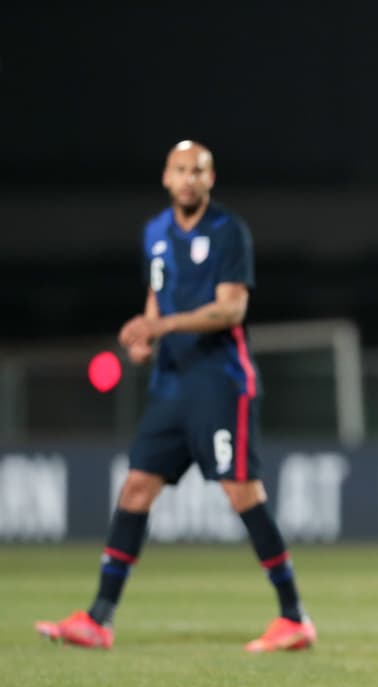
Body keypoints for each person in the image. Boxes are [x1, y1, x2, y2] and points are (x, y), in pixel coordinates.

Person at [35, 140, 315, 653]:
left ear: (211, 180)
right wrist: (146, 340)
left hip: (220, 380)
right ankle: (99, 617)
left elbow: (231, 309)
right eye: (180, 169)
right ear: (166, 177)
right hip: (171, 383)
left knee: (241, 492)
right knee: (136, 489)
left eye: (198, 171)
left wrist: (159, 323)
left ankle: (294, 616)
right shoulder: (154, 233)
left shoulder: (229, 231)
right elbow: (155, 298)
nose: (188, 178)